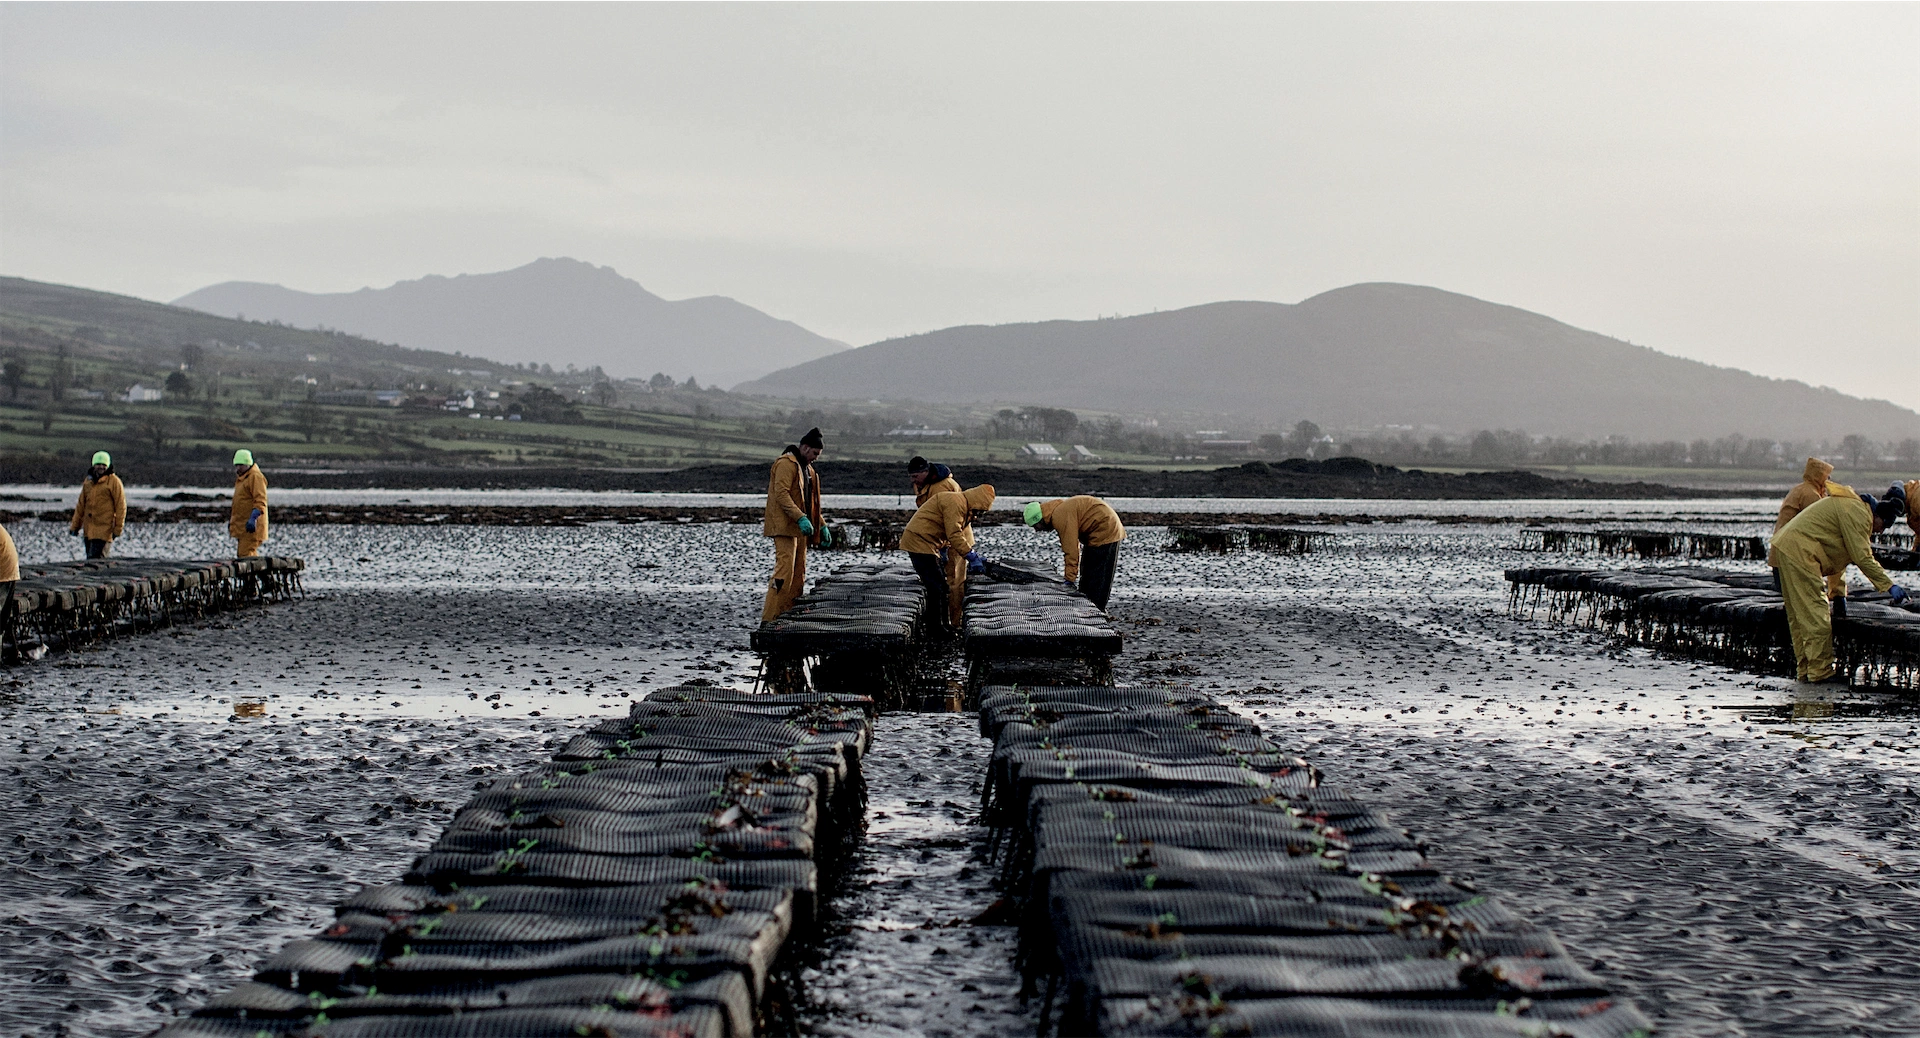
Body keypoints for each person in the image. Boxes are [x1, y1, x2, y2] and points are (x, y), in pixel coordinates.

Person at [1772, 486, 1908, 683]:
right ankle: (1820, 673)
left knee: (1800, 617)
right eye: (1883, 525)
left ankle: (1806, 670)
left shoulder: (1851, 507)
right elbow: (1862, 557)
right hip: (1801, 553)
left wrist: (1838, 593)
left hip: (1787, 549)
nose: (1879, 531)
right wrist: (1889, 585)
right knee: (1817, 616)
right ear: (1877, 516)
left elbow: (1838, 559)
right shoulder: (1858, 514)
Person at [900, 484, 995, 630]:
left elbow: (944, 528)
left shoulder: (962, 504)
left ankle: (943, 625)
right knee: (936, 588)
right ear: (975, 503)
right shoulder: (956, 503)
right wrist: (970, 555)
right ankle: (935, 628)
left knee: (941, 587)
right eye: (978, 511)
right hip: (919, 541)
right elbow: (954, 533)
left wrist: (944, 549)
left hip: (930, 544)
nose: (977, 516)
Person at [761, 428, 827, 621]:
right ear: (805, 448)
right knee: (784, 572)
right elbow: (781, 494)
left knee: (799, 573)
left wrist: (821, 524)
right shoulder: (785, 464)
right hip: (783, 527)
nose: (816, 458)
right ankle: (770, 618)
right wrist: (800, 517)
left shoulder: (808, 470)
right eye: (815, 453)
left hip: (800, 529)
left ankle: (788, 614)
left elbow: (809, 502)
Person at [1023, 495, 1127, 610]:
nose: (1037, 530)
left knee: (1098, 575)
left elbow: (1071, 550)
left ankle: (1096, 609)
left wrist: (1069, 579)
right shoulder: (1059, 509)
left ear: (1039, 519)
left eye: (1036, 526)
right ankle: (1088, 604)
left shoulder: (1060, 516)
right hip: (1099, 529)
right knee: (1087, 570)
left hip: (1105, 529)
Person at [1767, 457, 1849, 601]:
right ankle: (1837, 596)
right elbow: (1825, 523)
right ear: (1819, 476)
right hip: (1790, 556)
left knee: (1792, 601)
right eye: (1827, 476)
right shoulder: (1809, 494)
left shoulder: (1803, 490)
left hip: (1782, 553)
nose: (1829, 480)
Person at [69, 451, 126, 559]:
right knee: (90, 559)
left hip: (104, 531)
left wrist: (118, 529)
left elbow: (120, 506)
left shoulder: (114, 482)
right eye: (98, 464)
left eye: (104, 465)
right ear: (93, 465)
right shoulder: (88, 482)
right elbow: (81, 506)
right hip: (89, 531)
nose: (101, 467)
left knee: (98, 561)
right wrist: (75, 526)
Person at [230, 449, 270, 558]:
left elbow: (261, 501)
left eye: (241, 465)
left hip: (252, 527)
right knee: (245, 555)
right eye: (236, 465)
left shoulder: (255, 477)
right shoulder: (242, 478)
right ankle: (254, 574)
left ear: (248, 464)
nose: (238, 468)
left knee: (245, 556)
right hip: (242, 527)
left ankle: (252, 574)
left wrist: (253, 518)